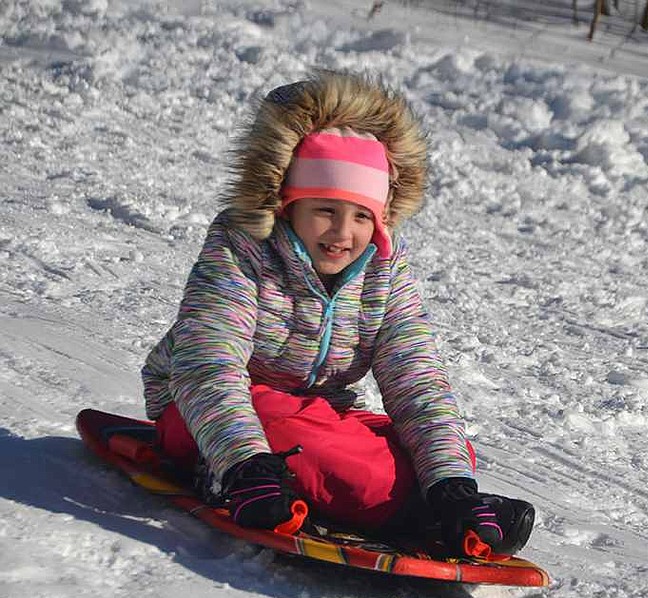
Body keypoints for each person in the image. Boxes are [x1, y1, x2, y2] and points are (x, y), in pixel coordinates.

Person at [141, 70, 534, 559]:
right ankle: (234, 476)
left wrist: (452, 482)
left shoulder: (383, 265)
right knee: (309, 445)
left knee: (425, 452)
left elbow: (417, 380)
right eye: (325, 210)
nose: (342, 234)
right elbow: (207, 364)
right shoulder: (243, 246)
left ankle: (439, 505)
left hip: (315, 412)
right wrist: (246, 463)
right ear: (289, 205)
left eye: (362, 216)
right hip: (201, 410)